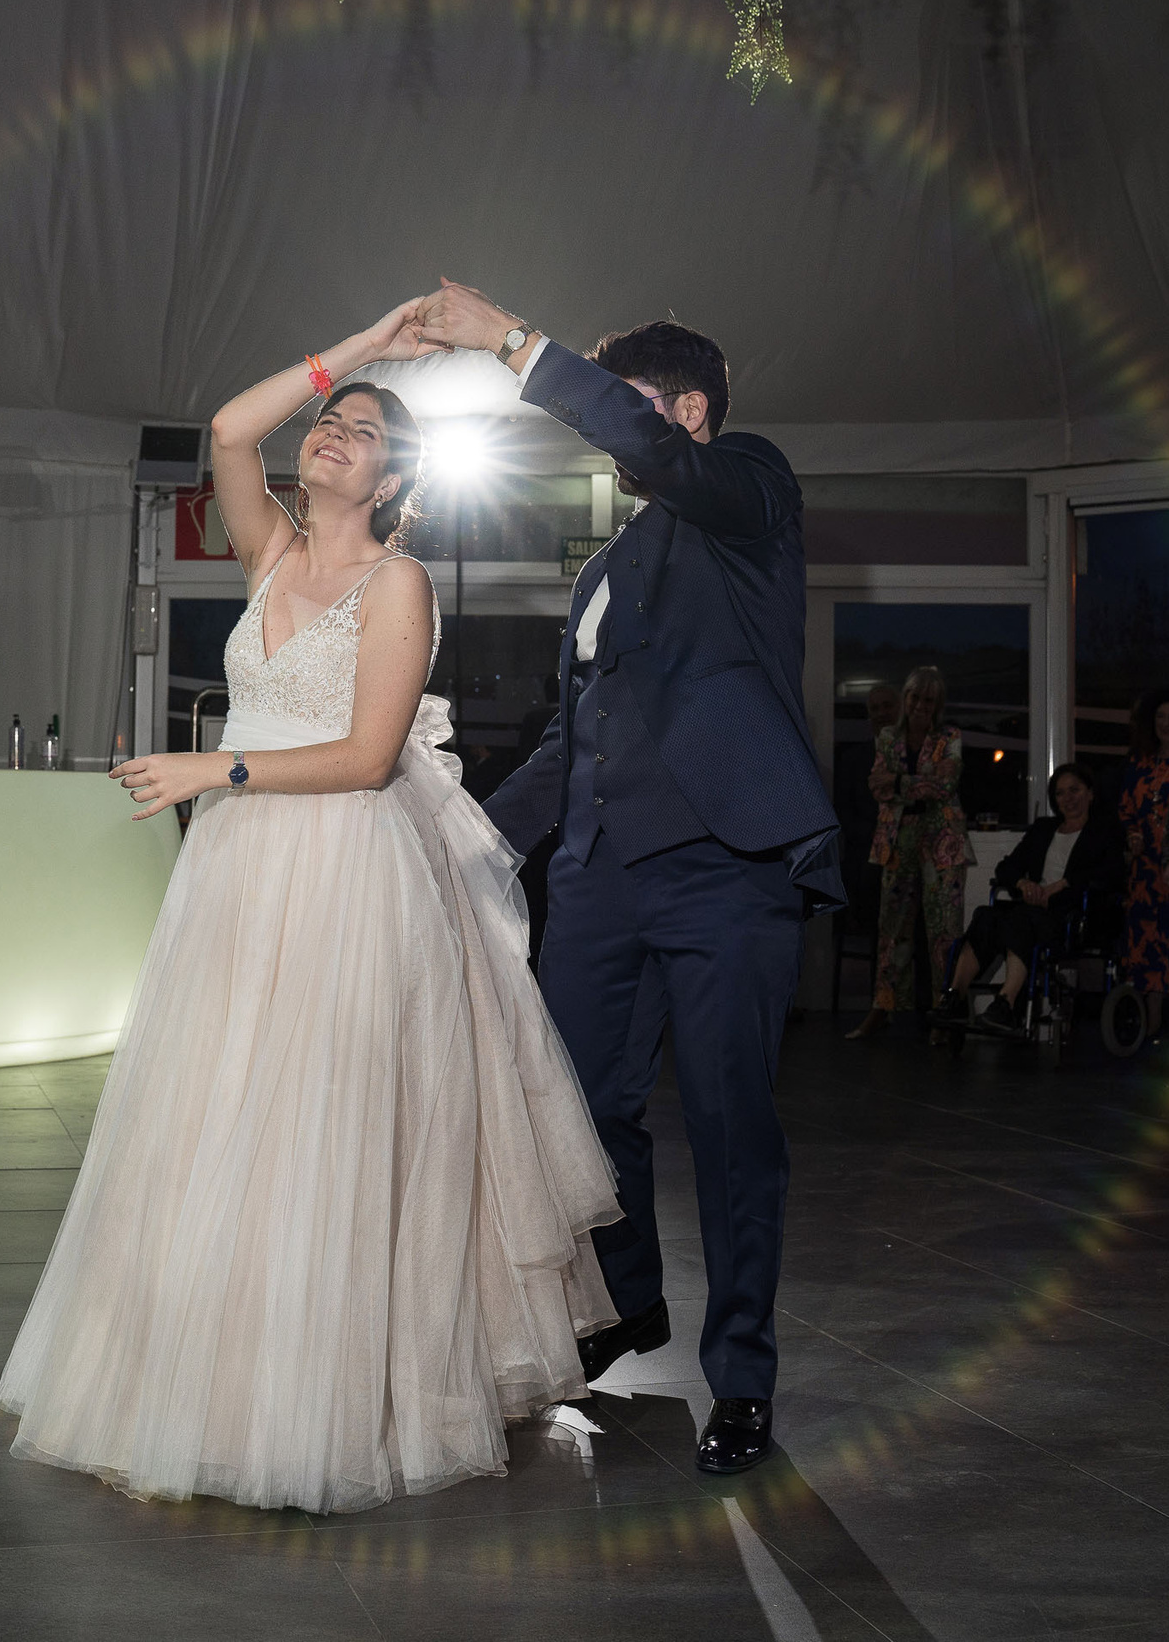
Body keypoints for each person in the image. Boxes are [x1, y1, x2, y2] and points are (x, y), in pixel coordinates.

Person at [0, 299, 621, 1515]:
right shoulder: (271, 552)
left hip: (343, 870)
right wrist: (368, 346)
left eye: (364, 430)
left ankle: (333, 1402)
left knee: (323, 1129)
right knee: (219, 1116)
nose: (334, 432)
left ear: (395, 480)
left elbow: (369, 757)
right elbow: (230, 428)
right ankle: (217, 1387)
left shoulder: (397, 588)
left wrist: (209, 769)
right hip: (239, 875)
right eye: (328, 421)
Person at [424, 283, 842, 1477]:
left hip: (727, 872)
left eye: (627, 407)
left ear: (690, 411)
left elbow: (651, 449)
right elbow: (576, 741)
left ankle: (743, 1382)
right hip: (602, 885)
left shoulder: (748, 494)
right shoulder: (602, 567)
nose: (598, 434)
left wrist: (512, 344)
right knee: (583, 1114)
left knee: (725, 1128)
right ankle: (633, 1307)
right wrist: (465, 839)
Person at [932, 761, 1122, 1036]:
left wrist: (1063, 885)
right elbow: (1006, 868)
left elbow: (1111, 873)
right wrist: (1022, 883)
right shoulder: (1043, 829)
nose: (1068, 799)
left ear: (1091, 793)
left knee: (1021, 920)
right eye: (1060, 793)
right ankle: (955, 998)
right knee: (986, 915)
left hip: (1070, 916)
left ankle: (1006, 1003)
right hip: (1032, 908)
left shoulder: (1104, 831)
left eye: (1075, 790)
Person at [846, 666, 966, 1040]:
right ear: (906, 698)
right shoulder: (887, 737)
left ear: (937, 705)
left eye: (927, 700)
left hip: (940, 842)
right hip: (898, 840)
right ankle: (883, 1008)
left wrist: (899, 782)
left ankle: (943, 1014)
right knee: (891, 930)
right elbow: (876, 787)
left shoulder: (950, 737)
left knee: (942, 931)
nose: (919, 705)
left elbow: (944, 786)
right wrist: (915, 784)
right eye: (914, 697)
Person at [1116, 687, 1169, 1041]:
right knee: (1145, 943)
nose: (1167, 723)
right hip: (1144, 871)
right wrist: (1131, 835)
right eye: (1161, 716)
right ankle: (1150, 1020)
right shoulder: (1139, 762)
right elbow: (1127, 810)